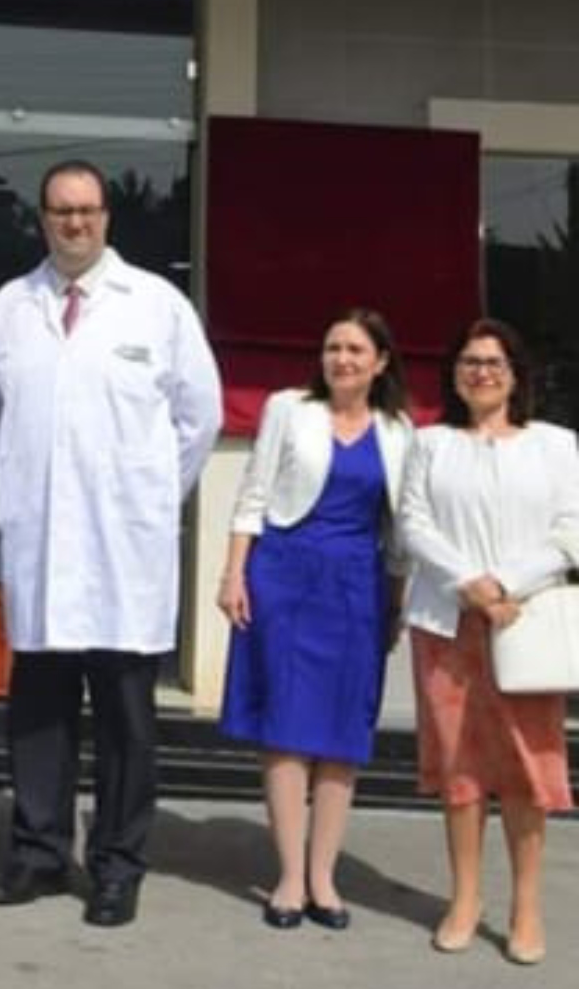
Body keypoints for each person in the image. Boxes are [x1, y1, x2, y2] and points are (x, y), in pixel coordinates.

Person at [0, 159, 222, 925]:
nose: (74, 223)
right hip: (40, 548)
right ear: (41, 217)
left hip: (125, 553)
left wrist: (147, 496)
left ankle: (117, 865)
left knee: (126, 725)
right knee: (39, 715)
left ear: (107, 217)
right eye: (59, 211)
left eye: (86, 210)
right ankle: (39, 852)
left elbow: (200, 419)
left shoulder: (156, 306)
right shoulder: (9, 308)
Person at [215, 309, 413, 929]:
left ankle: (324, 877)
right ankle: (290, 878)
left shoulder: (400, 429)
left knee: (341, 734)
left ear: (381, 361)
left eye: (355, 349)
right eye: (332, 348)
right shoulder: (287, 408)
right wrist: (233, 574)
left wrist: (397, 601)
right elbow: (253, 492)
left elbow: (401, 526)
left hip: (358, 584)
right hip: (285, 576)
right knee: (287, 726)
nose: (342, 360)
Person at [399, 318, 577, 966]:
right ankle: (464, 898)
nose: (481, 372)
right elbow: (412, 521)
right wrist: (468, 583)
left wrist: (505, 584)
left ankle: (526, 907)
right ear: (453, 374)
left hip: (526, 626)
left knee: (528, 770)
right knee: (459, 767)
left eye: (494, 362)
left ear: (515, 374)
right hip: (446, 623)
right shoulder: (430, 444)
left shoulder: (556, 446)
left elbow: (570, 529)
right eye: (469, 361)